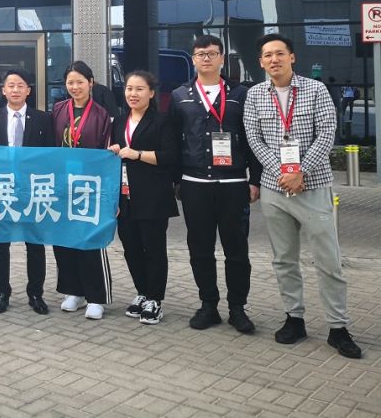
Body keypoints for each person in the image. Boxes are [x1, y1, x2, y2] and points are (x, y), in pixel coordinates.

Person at [243, 34, 362, 359]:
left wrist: (301, 172)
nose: (274, 59)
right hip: (274, 188)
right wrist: (282, 173)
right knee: (284, 259)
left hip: (313, 186)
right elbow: (254, 138)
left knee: (328, 260)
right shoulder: (255, 95)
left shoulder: (316, 90)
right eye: (268, 55)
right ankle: (294, 318)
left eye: (280, 53)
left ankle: (338, 327)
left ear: (292, 57)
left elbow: (327, 133)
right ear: (261, 62)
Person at [167, 34, 258, 333]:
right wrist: (176, 180)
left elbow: (252, 138)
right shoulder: (180, 95)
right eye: (200, 54)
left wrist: (255, 179)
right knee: (200, 248)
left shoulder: (240, 94)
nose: (206, 58)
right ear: (193, 59)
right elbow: (173, 140)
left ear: (221, 58)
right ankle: (208, 305)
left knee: (237, 249)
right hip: (195, 183)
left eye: (211, 53)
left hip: (233, 182)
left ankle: (237, 308)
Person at [0, 68, 54, 315]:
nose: (15, 90)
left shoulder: (43, 119)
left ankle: (36, 293)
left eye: (20, 85)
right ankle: (2, 292)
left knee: (35, 243)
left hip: (32, 189)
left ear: (28, 90)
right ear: (3, 90)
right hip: (2, 188)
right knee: (0, 243)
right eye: (10, 85)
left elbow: (50, 155)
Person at [108, 71, 178, 325]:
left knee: (154, 249)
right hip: (125, 197)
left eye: (139, 89)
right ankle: (142, 292)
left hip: (153, 196)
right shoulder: (118, 121)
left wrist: (137, 154)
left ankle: (155, 299)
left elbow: (170, 156)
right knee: (131, 248)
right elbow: (118, 154)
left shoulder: (162, 121)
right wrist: (114, 150)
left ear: (151, 92)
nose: (133, 94)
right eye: (129, 88)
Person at [52, 61, 114, 320]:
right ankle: (73, 292)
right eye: (70, 82)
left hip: (90, 185)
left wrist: (108, 192)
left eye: (80, 82)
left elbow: (107, 154)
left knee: (90, 240)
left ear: (91, 83)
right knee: (64, 240)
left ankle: (96, 296)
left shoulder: (102, 114)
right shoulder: (58, 110)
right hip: (62, 185)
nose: (75, 87)